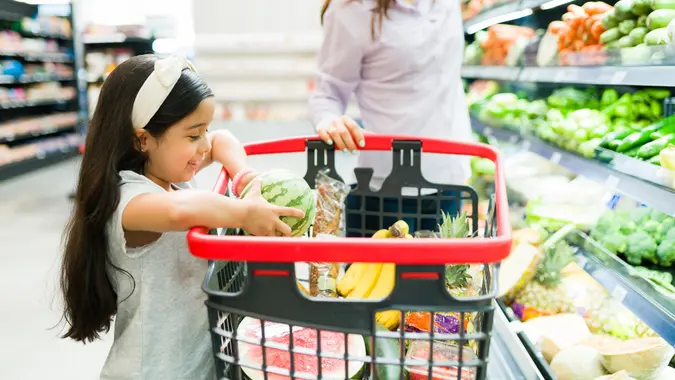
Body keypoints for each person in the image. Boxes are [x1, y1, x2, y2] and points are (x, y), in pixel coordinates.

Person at [59, 54, 305, 379]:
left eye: (205, 129)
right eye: (193, 135)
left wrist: (244, 176)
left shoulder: (168, 170)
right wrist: (244, 213)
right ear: (142, 139)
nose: (204, 145)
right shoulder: (128, 199)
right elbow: (180, 210)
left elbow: (223, 140)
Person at [309, 0, 473, 235]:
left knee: (443, 272)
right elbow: (326, 95)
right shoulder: (352, 10)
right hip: (385, 190)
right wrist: (330, 121)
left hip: (450, 178)